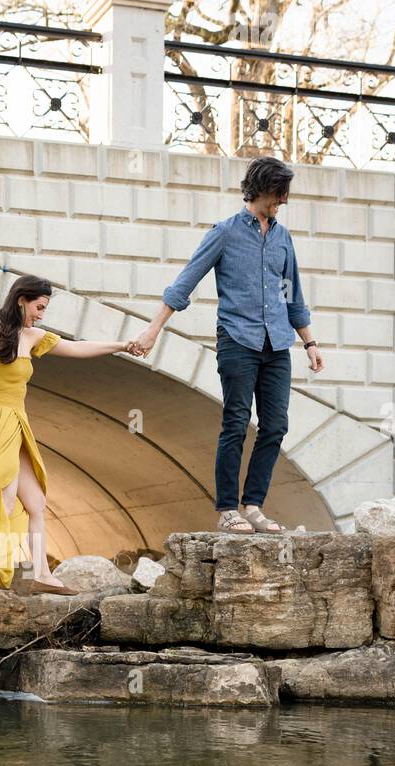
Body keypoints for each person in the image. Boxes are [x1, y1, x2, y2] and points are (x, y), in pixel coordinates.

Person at [127, 155, 325, 534]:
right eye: (279, 193)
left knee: (276, 425)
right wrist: (153, 330)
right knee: (236, 422)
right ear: (263, 189)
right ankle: (227, 509)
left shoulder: (283, 238)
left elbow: (293, 296)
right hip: (238, 340)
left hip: (277, 343)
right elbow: (185, 282)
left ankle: (253, 505)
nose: (283, 201)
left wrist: (310, 343)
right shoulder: (225, 232)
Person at [0, 274, 137, 594]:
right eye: (39, 307)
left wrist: (122, 345)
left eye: (45, 308)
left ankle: (39, 574)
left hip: (18, 422)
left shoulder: (34, 336)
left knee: (36, 502)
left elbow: (79, 349)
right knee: (6, 501)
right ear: (21, 300)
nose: (42, 313)